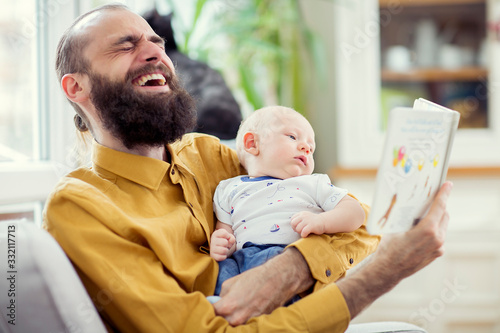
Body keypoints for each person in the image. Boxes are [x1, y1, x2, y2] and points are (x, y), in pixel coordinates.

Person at [42, 4, 452, 332]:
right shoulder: (79, 207)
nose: (155, 53)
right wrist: (383, 273)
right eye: (125, 45)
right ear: (76, 87)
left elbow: (353, 219)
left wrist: (288, 269)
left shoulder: (208, 156)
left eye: (157, 42)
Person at [210, 106, 365, 296]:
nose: (306, 148)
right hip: (242, 258)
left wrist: (322, 222)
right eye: (293, 137)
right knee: (221, 271)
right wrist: (222, 244)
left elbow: (356, 213)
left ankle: (269, 314)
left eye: (311, 148)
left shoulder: (312, 183)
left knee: (274, 274)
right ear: (252, 144)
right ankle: (222, 309)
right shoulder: (228, 188)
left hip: (289, 256)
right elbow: (225, 231)